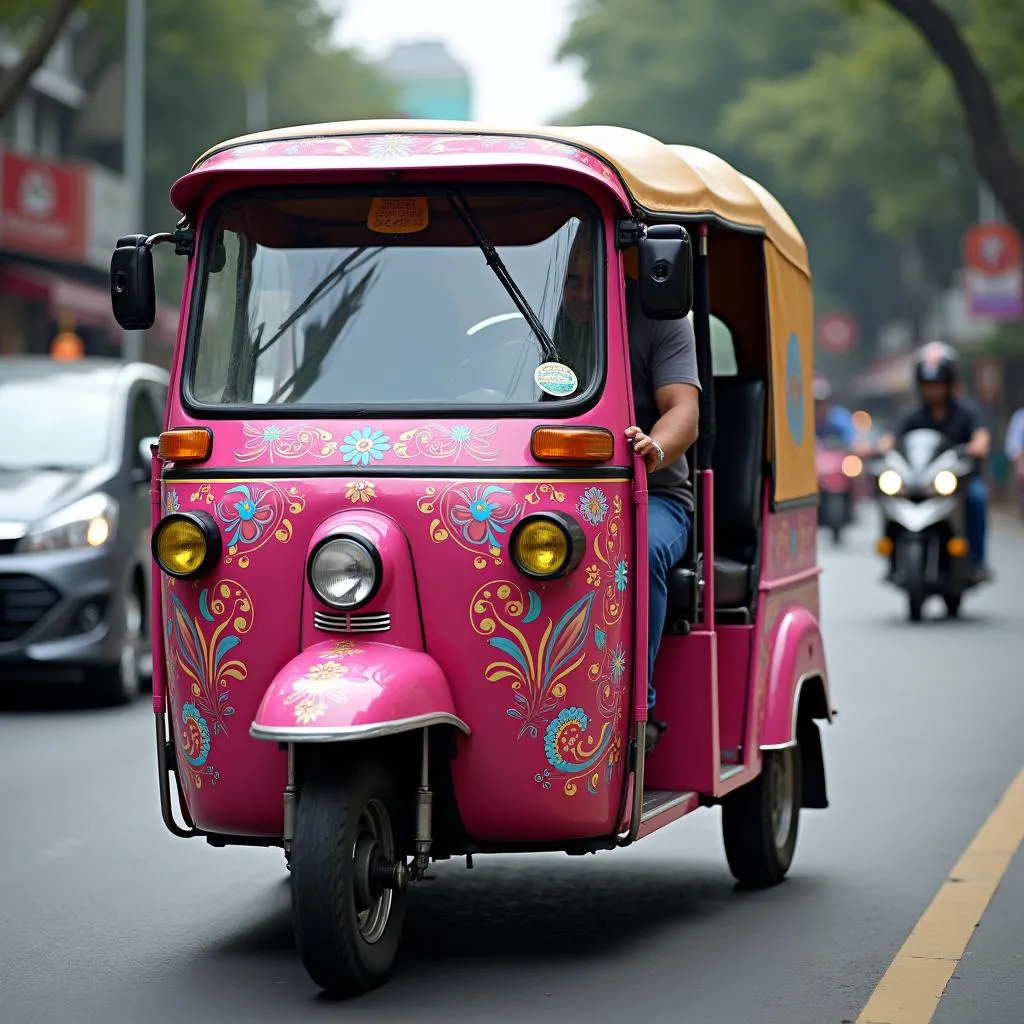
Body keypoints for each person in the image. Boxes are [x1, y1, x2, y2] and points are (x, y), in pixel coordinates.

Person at [559, 224, 700, 755]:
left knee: (634, 553)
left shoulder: (660, 321)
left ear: (621, 270)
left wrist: (654, 449)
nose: (576, 293)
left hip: (652, 495)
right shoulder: (531, 316)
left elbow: (683, 411)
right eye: (568, 281)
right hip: (547, 496)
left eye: (587, 280)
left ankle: (632, 717)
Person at [879, 342, 991, 581]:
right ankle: (891, 556)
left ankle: (978, 560)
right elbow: (891, 438)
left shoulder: (967, 411)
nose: (934, 390)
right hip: (920, 481)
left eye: (938, 385)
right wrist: (878, 448)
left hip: (959, 482)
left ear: (949, 385)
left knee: (977, 499)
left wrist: (977, 446)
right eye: (929, 385)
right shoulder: (911, 414)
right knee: (887, 496)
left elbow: (981, 436)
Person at [813, 376, 856, 446]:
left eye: (824, 402)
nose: (821, 406)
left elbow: (852, 441)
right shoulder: (807, 422)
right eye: (816, 403)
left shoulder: (840, 417)